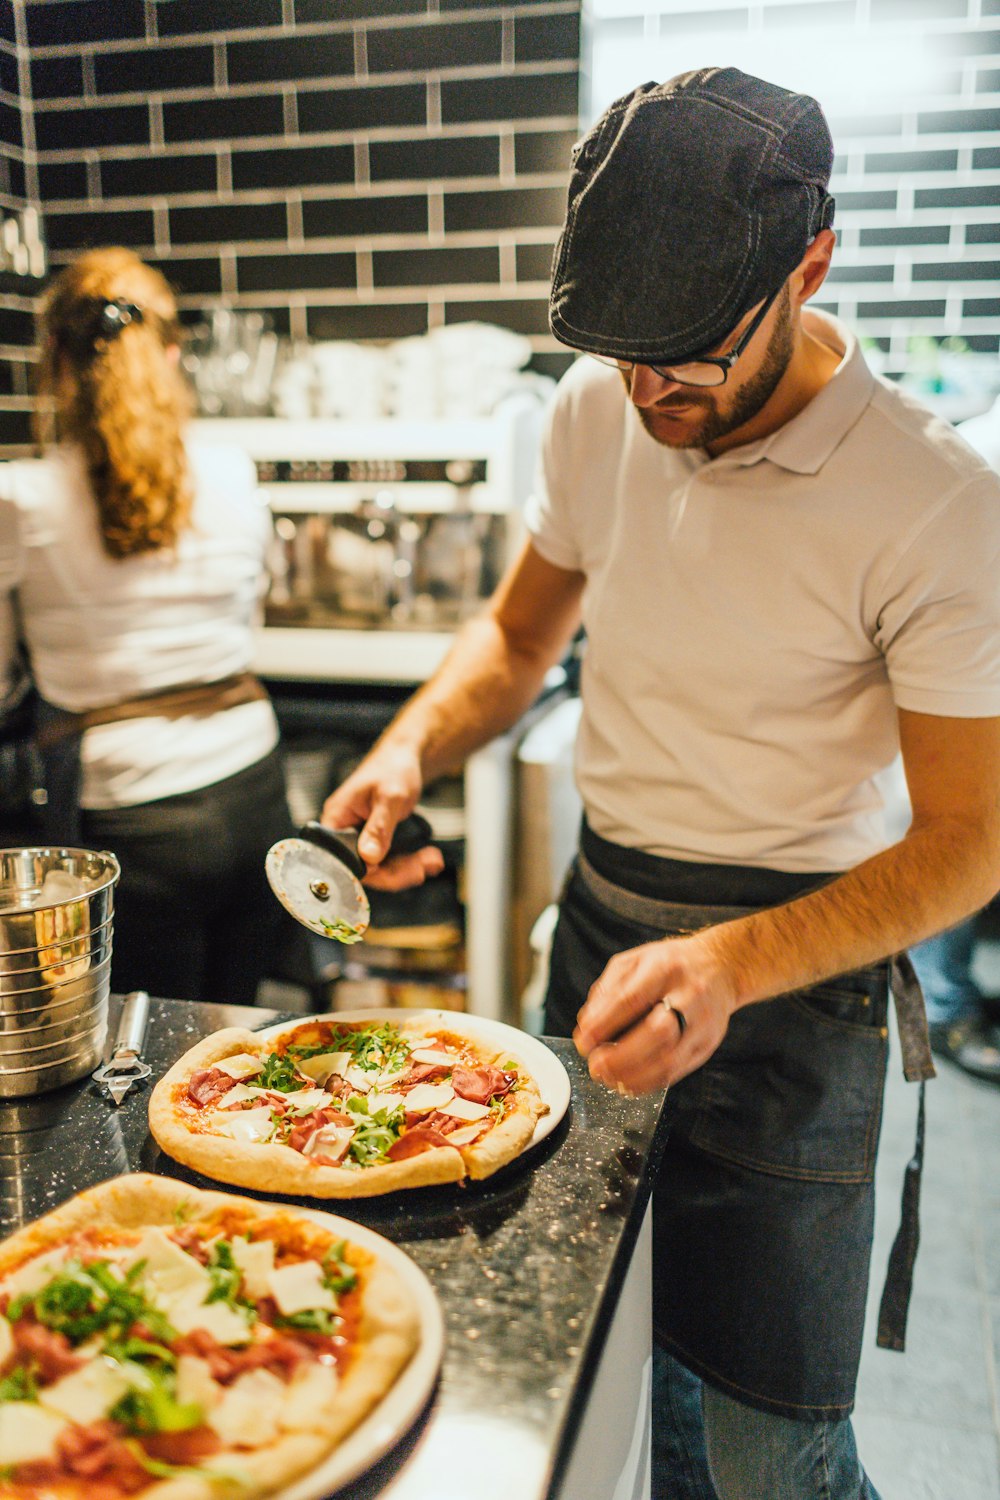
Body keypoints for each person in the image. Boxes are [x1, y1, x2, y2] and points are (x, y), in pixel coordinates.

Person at [320, 69, 1000, 1500]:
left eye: (685, 351)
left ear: (811, 265)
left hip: (796, 978)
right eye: (622, 354)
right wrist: (408, 748)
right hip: (606, 931)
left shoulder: (934, 500)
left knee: (773, 1445)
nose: (647, 391)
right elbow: (516, 637)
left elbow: (969, 842)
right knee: (627, 1370)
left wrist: (731, 962)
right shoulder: (598, 407)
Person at [0, 246, 294, 1005]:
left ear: (57, 362)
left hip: (128, 817)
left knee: (138, 1054)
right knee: (239, 1036)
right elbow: (252, 606)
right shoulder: (232, 469)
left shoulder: (19, 501)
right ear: (170, 355)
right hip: (253, 789)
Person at [908, 396, 1000, 1084]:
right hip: (971, 687)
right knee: (963, 835)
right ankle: (944, 1003)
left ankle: (949, 995)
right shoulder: (972, 459)